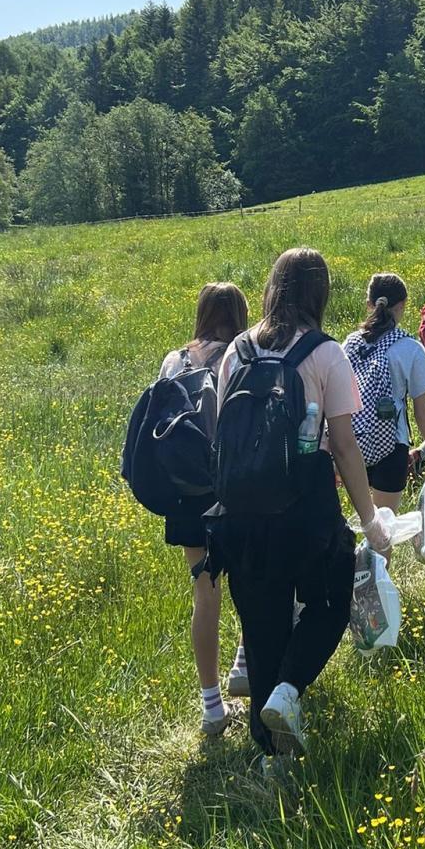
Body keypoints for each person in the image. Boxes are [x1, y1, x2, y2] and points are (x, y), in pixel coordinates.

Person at [216, 248, 390, 769]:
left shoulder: (237, 351)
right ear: (320, 293)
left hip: (241, 511)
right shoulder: (325, 352)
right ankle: (288, 691)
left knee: (262, 626)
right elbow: (345, 446)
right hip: (305, 508)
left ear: (272, 288)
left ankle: (271, 759)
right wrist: (370, 520)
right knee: (331, 599)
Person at [159, 282, 250, 737]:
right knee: (253, 577)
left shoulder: (174, 360)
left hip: (185, 493)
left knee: (205, 591)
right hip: (232, 487)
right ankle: (244, 661)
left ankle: (211, 706)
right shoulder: (240, 356)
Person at [343, 273, 425, 513]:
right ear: (402, 305)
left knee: (360, 520)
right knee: (384, 525)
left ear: (369, 304)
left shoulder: (350, 344)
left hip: (350, 443)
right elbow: (422, 413)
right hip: (390, 444)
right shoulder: (410, 348)